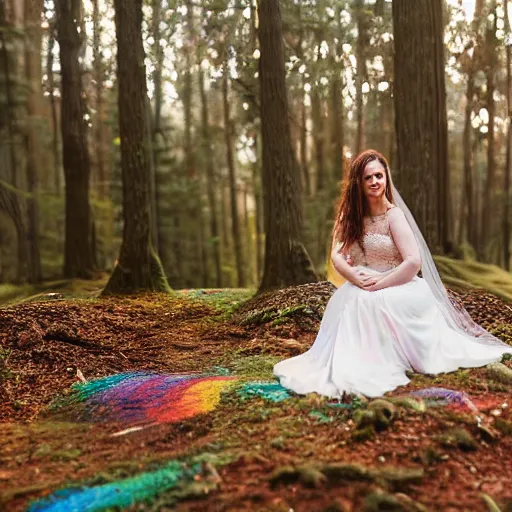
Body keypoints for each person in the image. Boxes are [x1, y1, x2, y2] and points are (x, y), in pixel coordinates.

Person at [273, 149, 512, 398]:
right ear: (359, 182)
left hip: (401, 284)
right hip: (364, 281)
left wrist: (380, 284)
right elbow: (336, 254)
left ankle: (382, 363)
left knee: (370, 301)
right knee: (350, 300)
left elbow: (413, 262)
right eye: (368, 177)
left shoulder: (393, 215)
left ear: (386, 178)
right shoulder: (351, 215)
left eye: (379, 175)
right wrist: (354, 277)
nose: (375, 182)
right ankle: (355, 363)